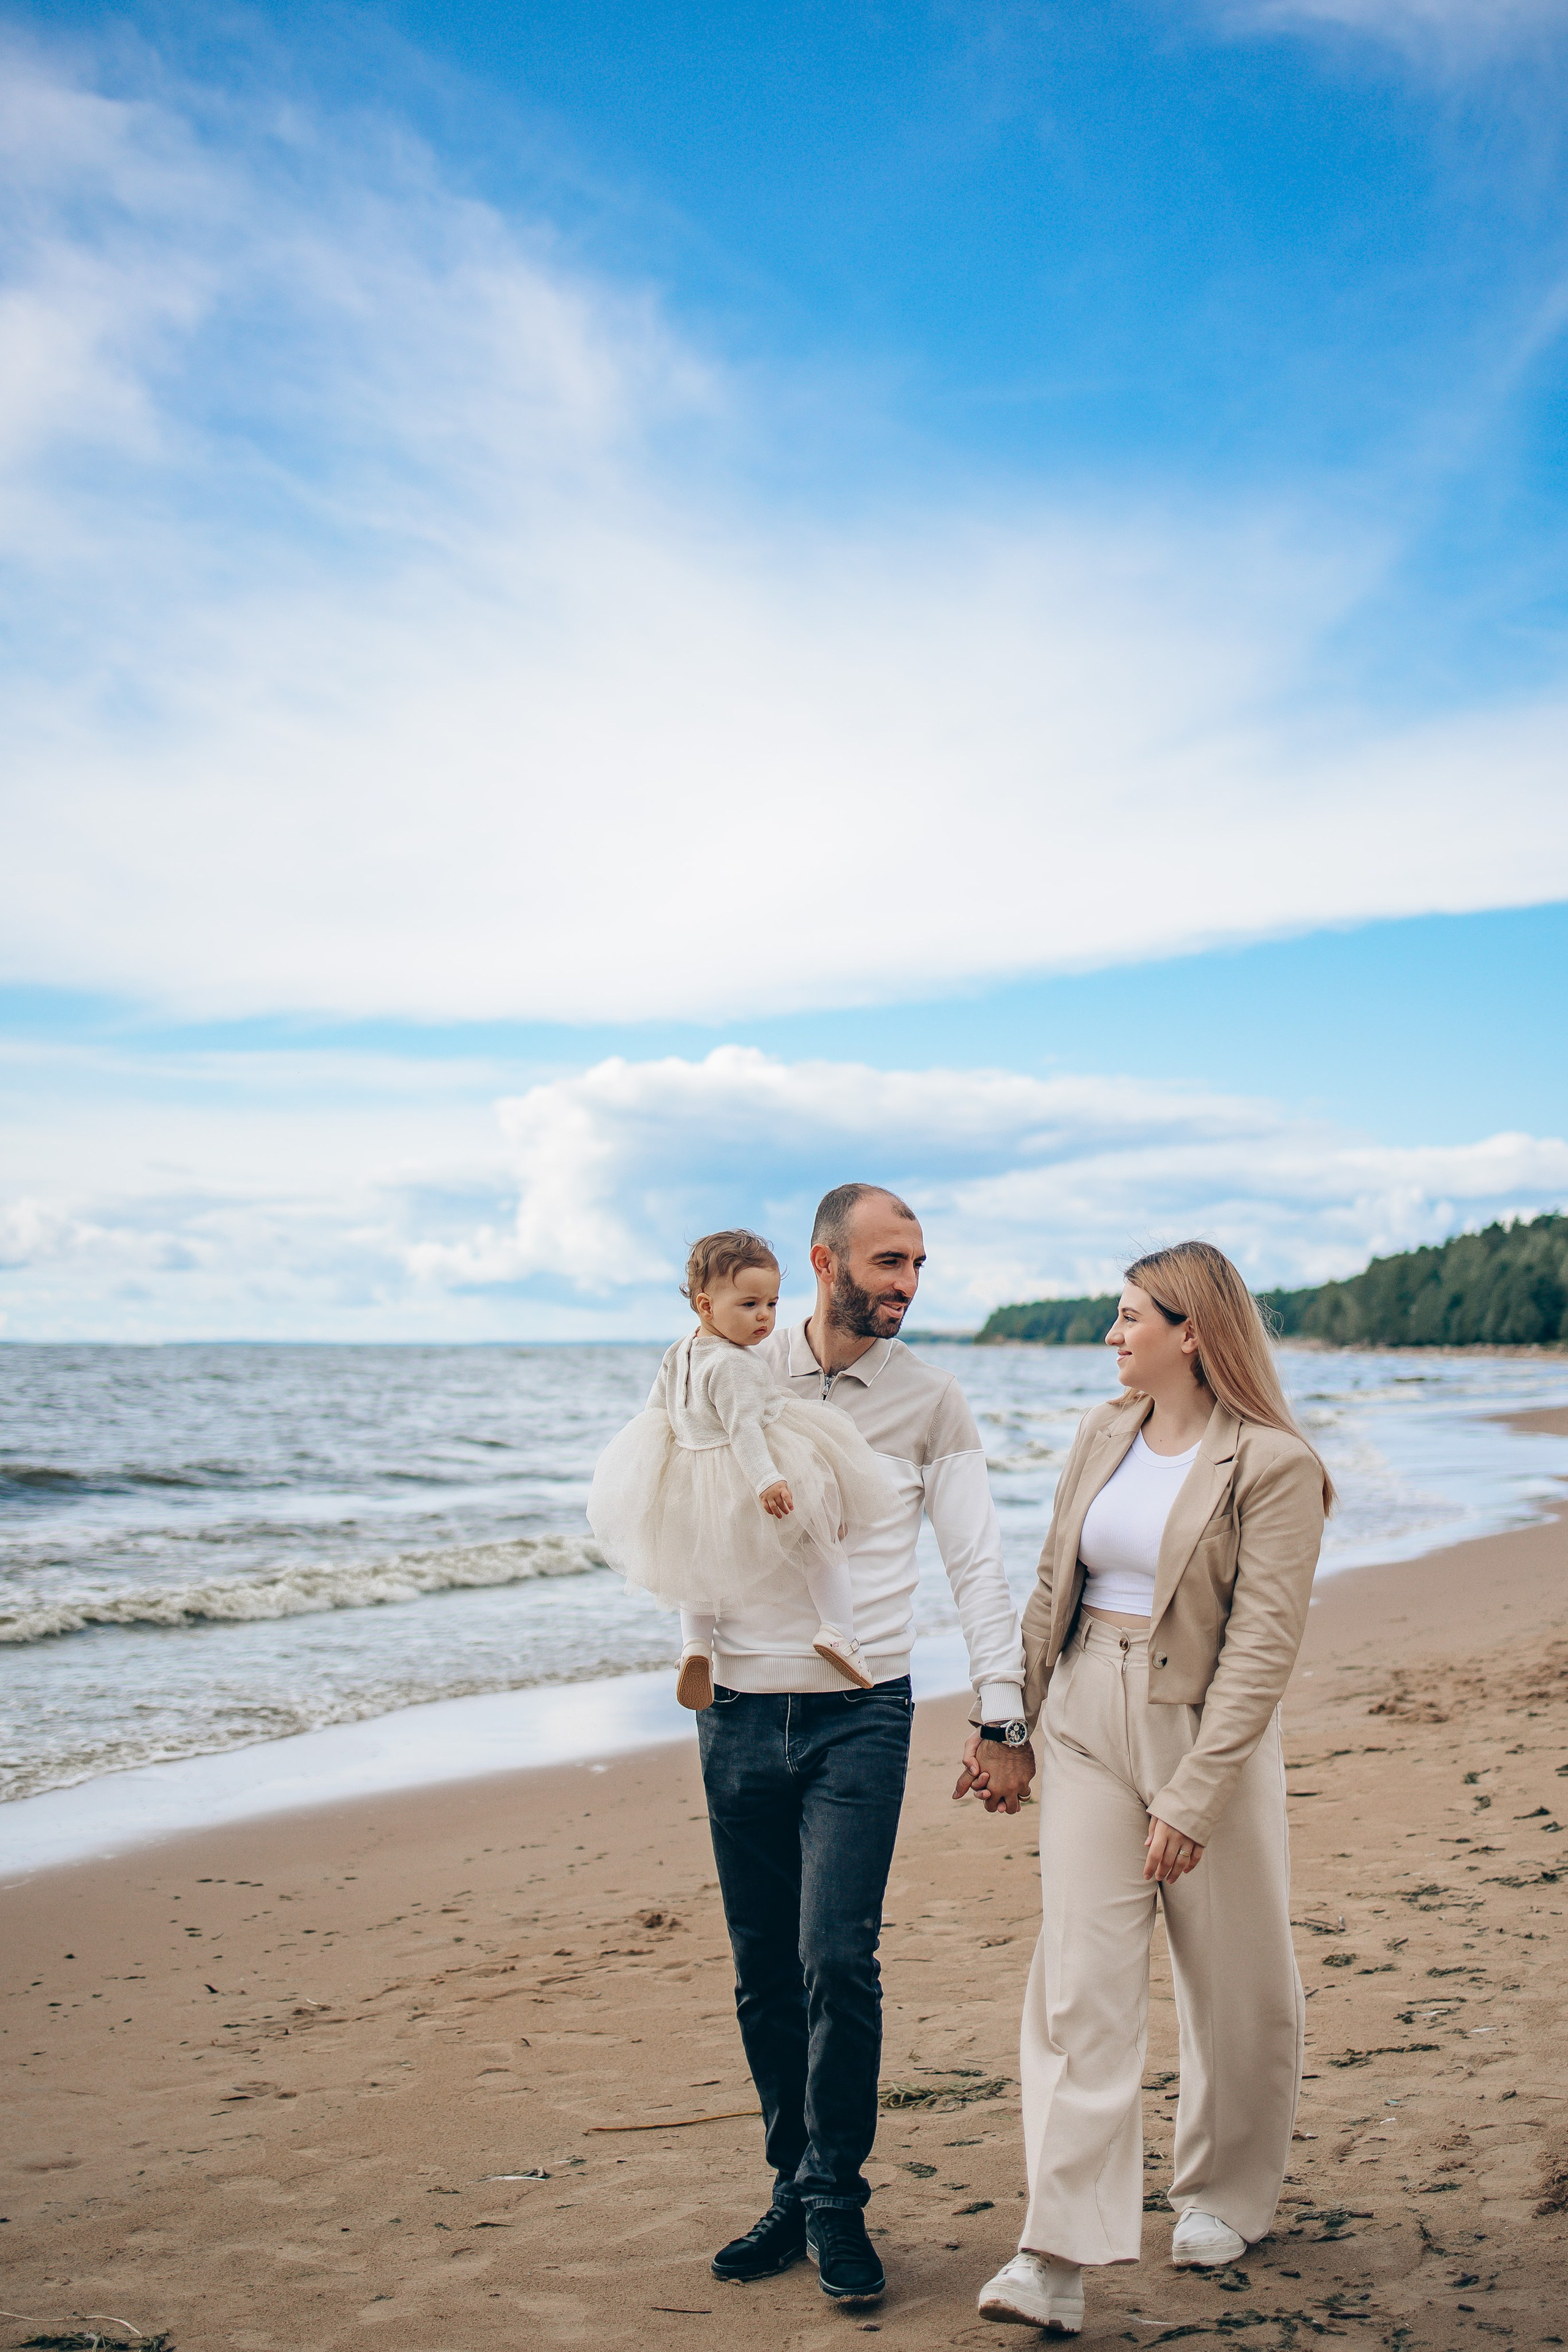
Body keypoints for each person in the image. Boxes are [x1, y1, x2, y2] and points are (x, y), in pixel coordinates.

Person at [972, 1240, 1333, 2337]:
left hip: (1201, 1727)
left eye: (1133, 1317)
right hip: (1085, 1712)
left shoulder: (1273, 1465)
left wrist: (1194, 1795)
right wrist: (1009, 1726)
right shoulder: (1101, 1432)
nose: (1113, 1335)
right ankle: (1055, 2255)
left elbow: (1263, 1653)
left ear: (1194, 1333)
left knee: (1234, 1979)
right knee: (1080, 1986)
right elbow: (1051, 1587)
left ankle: (1225, 2193)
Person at [696, 1183, 1030, 2308]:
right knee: (761, 1976)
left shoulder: (933, 1401)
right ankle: (791, 2185)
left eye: (920, 1266)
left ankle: (837, 2195)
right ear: (823, 1261)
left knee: (836, 1958)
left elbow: (978, 1566)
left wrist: (1003, 1712)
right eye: (890, 1262)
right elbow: (676, 1499)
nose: (907, 1286)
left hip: (863, 1714)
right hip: (738, 1709)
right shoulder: (730, 1367)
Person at [588, 1229, 894, 1703]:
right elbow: (744, 1429)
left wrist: (660, 1462)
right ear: (707, 1307)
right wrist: (768, 1478)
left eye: (772, 1304)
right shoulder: (736, 1365)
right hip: (748, 1464)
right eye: (749, 1305)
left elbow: (656, 1411)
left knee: (699, 1562)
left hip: (692, 1467)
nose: (765, 1319)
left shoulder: (680, 1350)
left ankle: (695, 1646)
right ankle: (838, 1629)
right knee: (820, 1524)